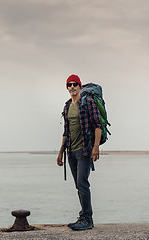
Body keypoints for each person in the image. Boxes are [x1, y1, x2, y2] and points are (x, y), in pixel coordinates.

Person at [57, 74, 103, 231]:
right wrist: (60, 152)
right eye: (69, 84)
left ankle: (87, 219)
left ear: (80, 86)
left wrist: (96, 147)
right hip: (71, 152)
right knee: (78, 185)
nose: (72, 87)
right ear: (67, 87)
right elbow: (66, 132)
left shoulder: (87, 102)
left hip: (84, 150)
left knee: (83, 184)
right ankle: (83, 216)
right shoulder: (66, 106)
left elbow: (98, 125)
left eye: (75, 84)